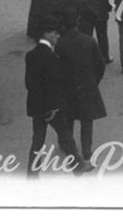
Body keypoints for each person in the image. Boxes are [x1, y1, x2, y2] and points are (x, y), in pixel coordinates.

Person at [24, 16, 82, 177]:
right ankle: (77, 166)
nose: (57, 36)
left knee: (37, 141)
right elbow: (52, 85)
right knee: (66, 137)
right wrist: (51, 108)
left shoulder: (31, 55)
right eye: (55, 33)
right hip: (51, 108)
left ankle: (32, 173)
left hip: (36, 106)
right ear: (46, 34)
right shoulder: (50, 56)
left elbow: (30, 84)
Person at [55, 10, 106, 172]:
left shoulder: (59, 43)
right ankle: (86, 154)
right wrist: (93, 82)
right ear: (77, 22)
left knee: (68, 120)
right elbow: (100, 65)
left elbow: (56, 69)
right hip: (87, 86)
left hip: (67, 88)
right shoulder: (89, 41)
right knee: (86, 121)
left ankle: (70, 153)